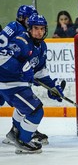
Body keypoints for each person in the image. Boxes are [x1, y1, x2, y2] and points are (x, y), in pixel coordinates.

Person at [0, 14, 65, 154]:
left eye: (42, 29)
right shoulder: (21, 41)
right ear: (29, 29)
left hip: (19, 84)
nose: (39, 32)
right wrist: (21, 69)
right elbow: (2, 57)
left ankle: (15, 132)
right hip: (8, 83)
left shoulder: (42, 46)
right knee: (36, 111)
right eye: (36, 28)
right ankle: (23, 141)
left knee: (25, 107)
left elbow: (40, 71)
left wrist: (52, 87)